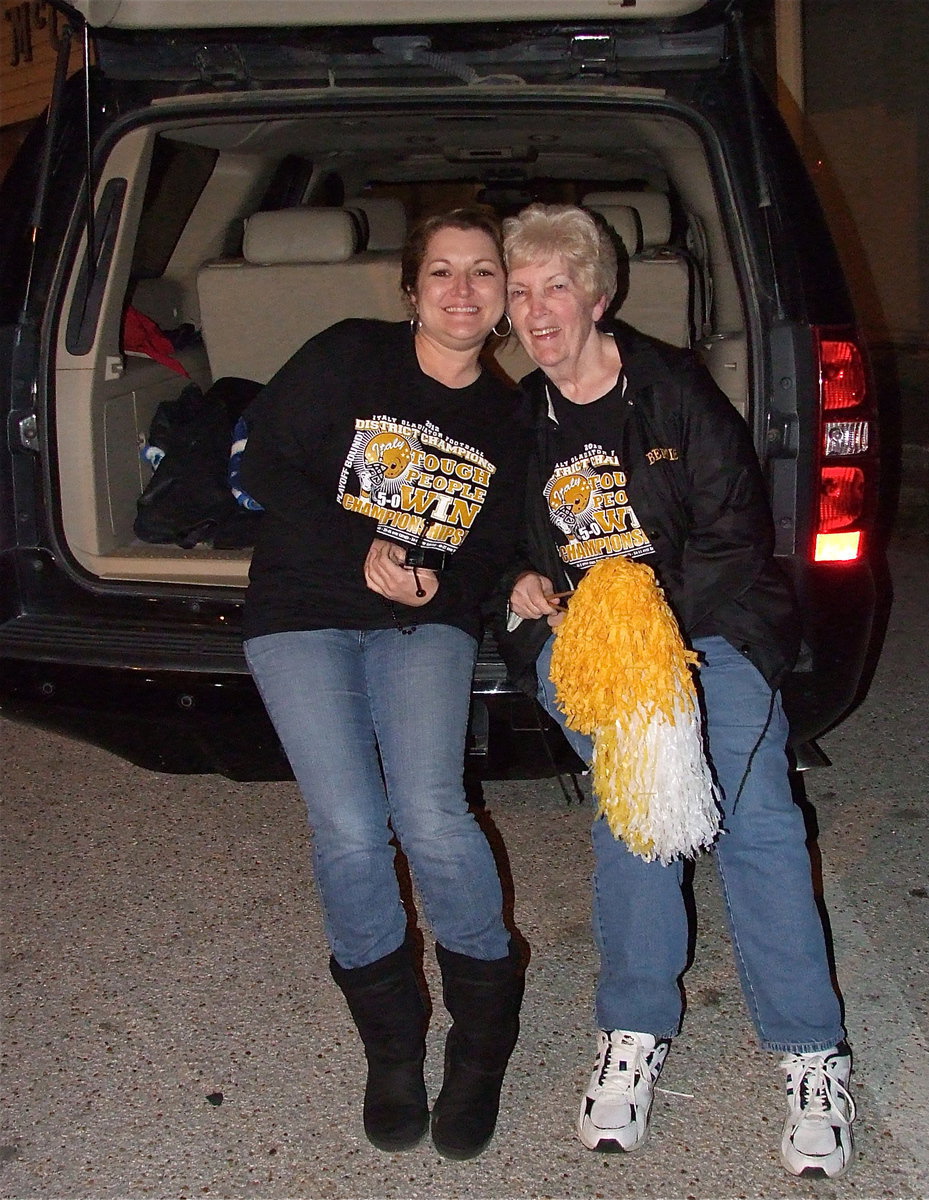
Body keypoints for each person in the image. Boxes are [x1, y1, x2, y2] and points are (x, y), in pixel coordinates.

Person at [500, 203, 856, 1177]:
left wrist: (649, 633)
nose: (537, 312)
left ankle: (810, 1050)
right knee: (640, 795)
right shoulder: (514, 420)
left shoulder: (671, 390)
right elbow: (495, 549)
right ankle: (634, 1028)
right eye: (520, 292)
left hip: (709, 632)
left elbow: (736, 543)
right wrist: (517, 588)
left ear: (599, 294)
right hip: (584, 653)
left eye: (557, 287)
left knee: (756, 814)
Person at [238, 208, 527, 1161]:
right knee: (352, 832)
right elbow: (263, 464)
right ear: (410, 290)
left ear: (503, 300)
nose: (459, 290)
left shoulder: (505, 414)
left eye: (480, 273)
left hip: (421, 624)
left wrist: (458, 578)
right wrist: (361, 547)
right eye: (439, 271)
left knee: (432, 816)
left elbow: (494, 543)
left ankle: (480, 1043)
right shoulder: (347, 355)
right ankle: (392, 1048)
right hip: (301, 610)